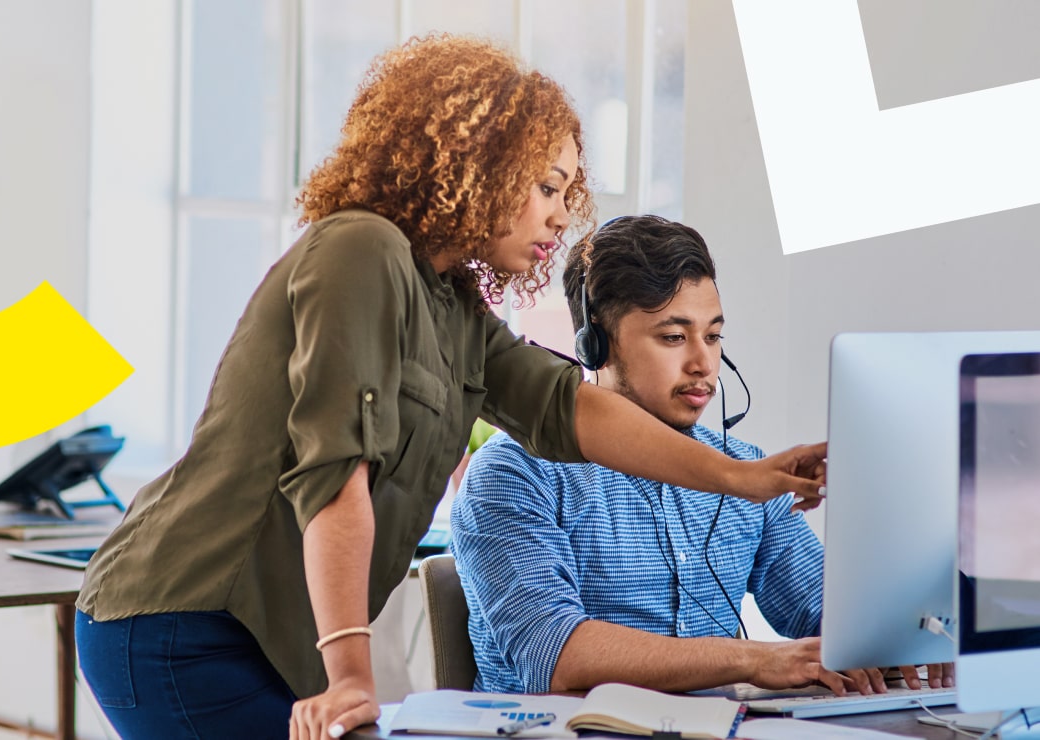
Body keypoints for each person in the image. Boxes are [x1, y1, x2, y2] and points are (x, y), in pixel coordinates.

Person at [75, 37, 827, 740]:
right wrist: (352, 679)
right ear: (478, 165)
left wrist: (744, 478)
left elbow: (568, 406)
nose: (561, 216)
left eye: (567, 193)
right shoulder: (361, 249)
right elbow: (335, 475)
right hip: (184, 621)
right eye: (545, 186)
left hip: (259, 631)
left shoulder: (454, 303)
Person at [451, 215, 954, 697]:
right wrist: (754, 660)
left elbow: (825, 615)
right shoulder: (515, 473)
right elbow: (555, 657)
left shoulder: (744, 469)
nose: (703, 363)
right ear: (596, 344)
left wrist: (910, 627)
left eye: (713, 336)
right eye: (673, 337)